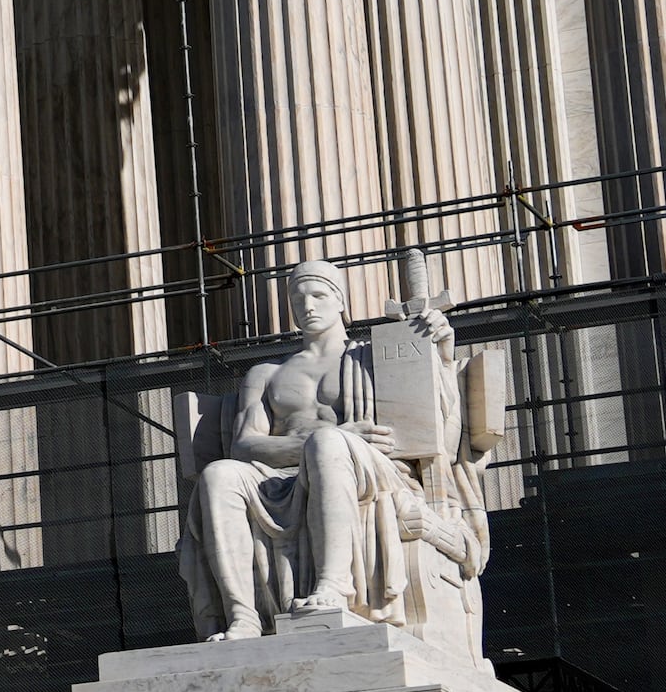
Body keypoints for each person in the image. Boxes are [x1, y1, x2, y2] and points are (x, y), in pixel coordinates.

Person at [179, 260, 494, 647]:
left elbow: (439, 428)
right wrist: (322, 438)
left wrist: (440, 356)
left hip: (368, 470)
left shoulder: (376, 357)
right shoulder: (265, 374)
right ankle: (244, 616)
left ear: (341, 301)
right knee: (218, 475)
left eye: (318, 295)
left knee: (327, 444)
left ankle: (334, 585)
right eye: (298, 299)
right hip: (281, 477)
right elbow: (244, 446)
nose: (307, 306)